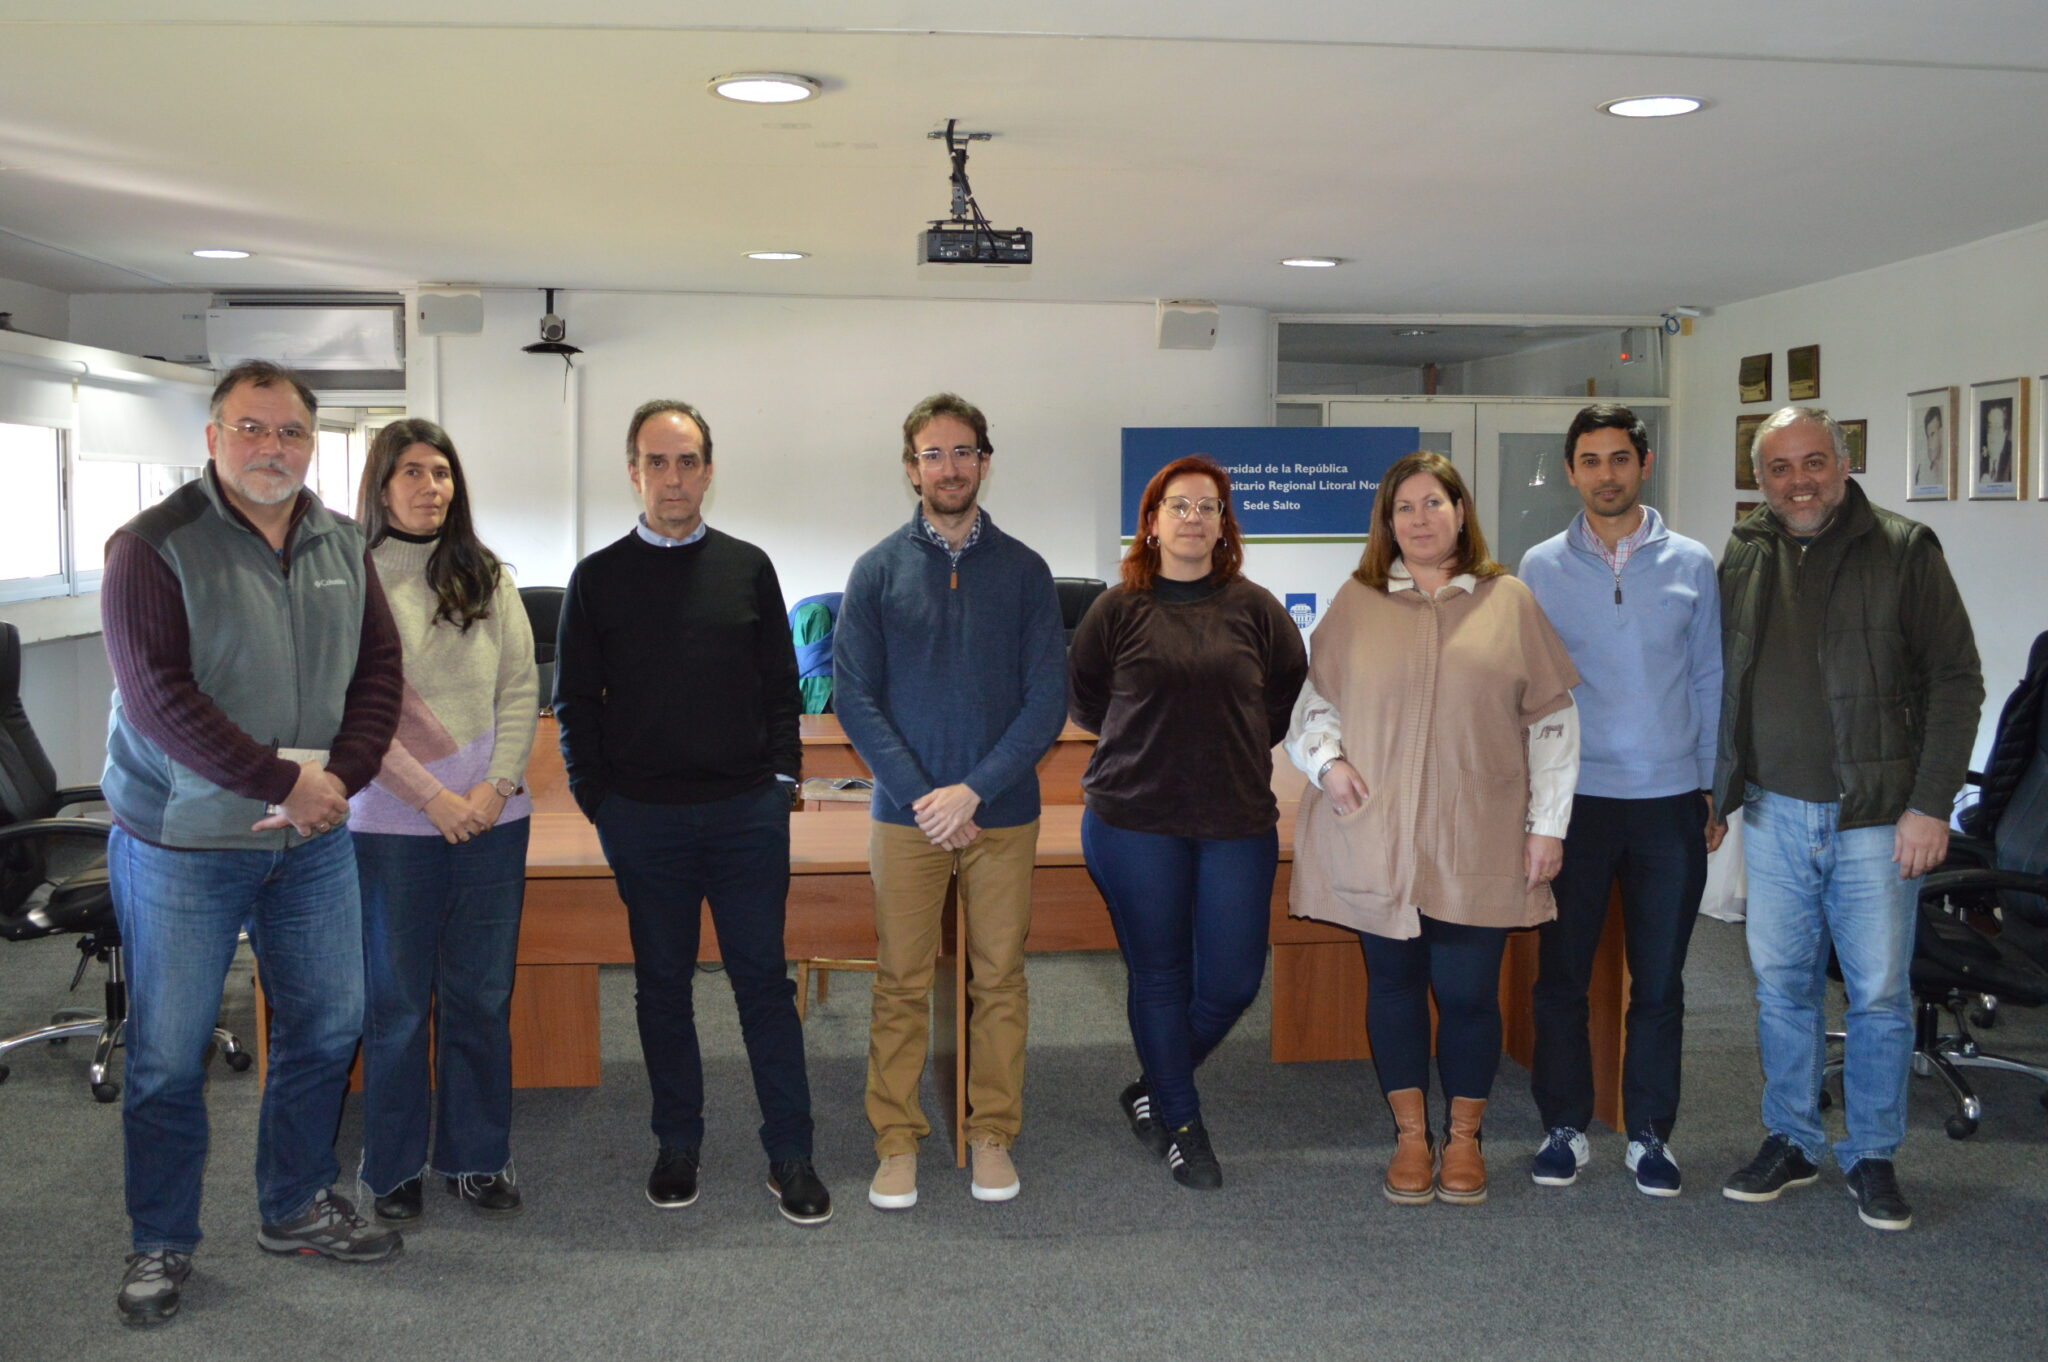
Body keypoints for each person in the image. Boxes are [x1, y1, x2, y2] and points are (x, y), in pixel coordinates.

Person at [99, 360, 404, 1326]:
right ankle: (160, 1240)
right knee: (167, 1053)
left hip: (310, 839)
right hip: (185, 843)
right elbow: (158, 698)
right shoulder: (151, 547)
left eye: (291, 433)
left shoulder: (343, 542)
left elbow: (378, 676)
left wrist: (336, 784)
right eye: (251, 429)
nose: (272, 448)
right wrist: (286, 780)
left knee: (326, 1025)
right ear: (212, 437)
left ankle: (292, 1203)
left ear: (315, 443)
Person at [554, 399, 830, 1225]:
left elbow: (783, 689)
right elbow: (574, 704)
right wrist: (601, 803)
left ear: (708, 470)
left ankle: (792, 1152)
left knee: (762, 987)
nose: (673, 479)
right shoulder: (597, 578)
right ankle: (677, 1142)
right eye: (656, 463)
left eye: (687, 462)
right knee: (662, 989)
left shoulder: (748, 566)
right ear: (633, 472)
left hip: (746, 814)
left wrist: (781, 780)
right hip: (645, 819)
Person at [1287, 450, 1579, 1207]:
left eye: (1433, 503)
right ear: (1387, 522)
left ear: (1460, 511)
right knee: (1392, 985)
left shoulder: (1507, 599)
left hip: (1476, 832)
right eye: (1404, 508)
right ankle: (1412, 1138)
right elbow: (1314, 705)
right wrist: (1328, 765)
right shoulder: (1357, 601)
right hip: (1378, 830)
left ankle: (1465, 1139)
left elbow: (1553, 720)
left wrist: (1548, 827)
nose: (1420, 519)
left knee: (1467, 990)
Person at [1714, 406, 1981, 1231]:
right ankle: (1791, 1138)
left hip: (1876, 820)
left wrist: (1930, 804)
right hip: (1774, 812)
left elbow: (1955, 681)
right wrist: (1717, 793)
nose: (1799, 480)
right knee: (1782, 990)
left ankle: (1872, 1154)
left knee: (1877, 995)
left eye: (1814, 462)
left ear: (1844, 461)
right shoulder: (1747, 551)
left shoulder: (1902, 549)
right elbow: (1725, 679)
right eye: (1780, 468)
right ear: (1761, 479)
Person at [833, 393, 1066, 1209]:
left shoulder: (1027, 572)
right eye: (934, 454)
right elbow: (854, 699)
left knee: (999, 979)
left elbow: (1046, 702)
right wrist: (925, 796)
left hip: (1001, 815)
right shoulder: (877, 571)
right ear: (911, 469)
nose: (950, 467)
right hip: (907, 820)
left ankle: (991, 1131)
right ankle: (896, 1141)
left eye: (964, 452)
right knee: (900, 980)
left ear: (986, 462)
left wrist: (972, 790)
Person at [1068, 456, 1307, 1189]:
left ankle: (1151, 1084)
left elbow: (1283, 696)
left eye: (1208, 507)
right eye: (1180, 506)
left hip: (1234, 814)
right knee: (1161, 974)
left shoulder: (1257, 607)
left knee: (1234, 980)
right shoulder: (1119, 608)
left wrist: (1218, 746)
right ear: (1153, 520)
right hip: (1135, 817)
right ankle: (1179, 1119)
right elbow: (1085, 700)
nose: (1194, 518)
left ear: (1224, 523)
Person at [1518, 404, 1721, 1197]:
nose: (1607, 474)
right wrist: (1532, 799)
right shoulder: (1537, 567)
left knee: (1660, 982)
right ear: (1571, 471)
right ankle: (1563, 1126)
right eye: (1591, 461)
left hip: (1669, 801)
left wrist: (1710, 784)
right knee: (1561, 977)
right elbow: (1526, 689)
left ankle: (1649, 1135)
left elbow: (1709, 677)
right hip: (1574, 803)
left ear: (1645, 463)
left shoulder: (1693, 562)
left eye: (1620, 459)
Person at [346, 419, 537, 1225]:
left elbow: (523, 688)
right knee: (395, 1004)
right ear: (382, 484)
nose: (431, 487)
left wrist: (493, 792)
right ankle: (391, 1166)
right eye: (413, 472)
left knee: (480, 996)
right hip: (391, 823)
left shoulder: (488, 575)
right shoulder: (349, 578)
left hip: (494, 821)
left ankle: (477, 1157)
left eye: (443, 472)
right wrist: (433, 798)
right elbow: (349, 710)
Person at [1978, 399, 2013, 487]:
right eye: (1990, 427)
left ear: (2005, 432)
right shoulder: (1979, 459)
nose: (1993, 434)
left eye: (1997, 427)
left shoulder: (2011, 461)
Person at [1913, 404, 1947, 494]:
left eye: (1932, 434)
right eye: (1928, 437)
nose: (1929, 444)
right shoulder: (1923, 473)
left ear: (1941, 432)